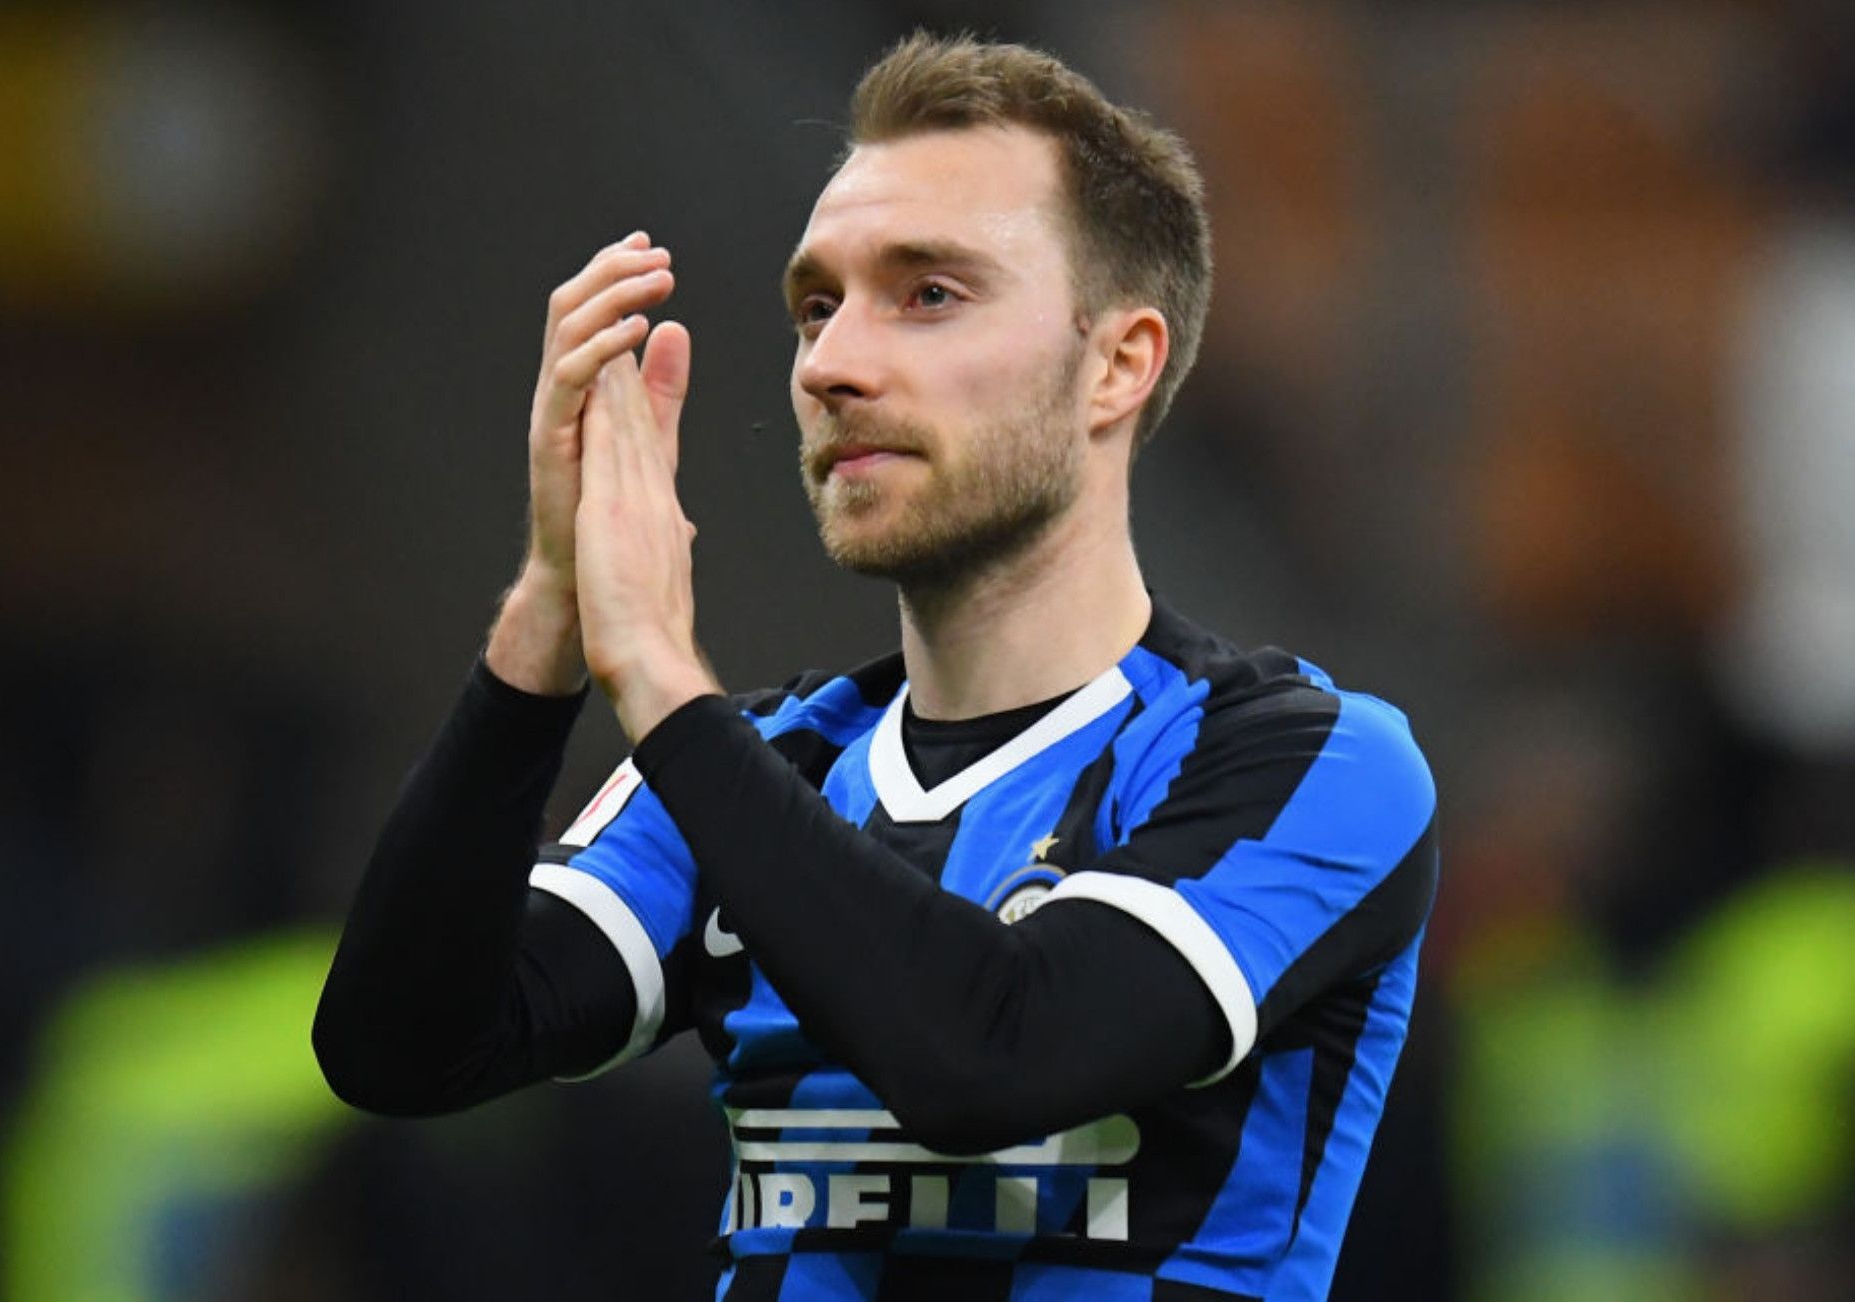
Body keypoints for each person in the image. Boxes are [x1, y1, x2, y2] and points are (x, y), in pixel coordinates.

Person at [314, 32, 1438, 1302]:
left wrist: (663, 679)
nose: (831, 364)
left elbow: (993, 1057)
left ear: (1116, 365)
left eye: (929, 294)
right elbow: (400, 1051)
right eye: (817, 305)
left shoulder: (1309, 764)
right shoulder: (767, 764)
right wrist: (547, 619)